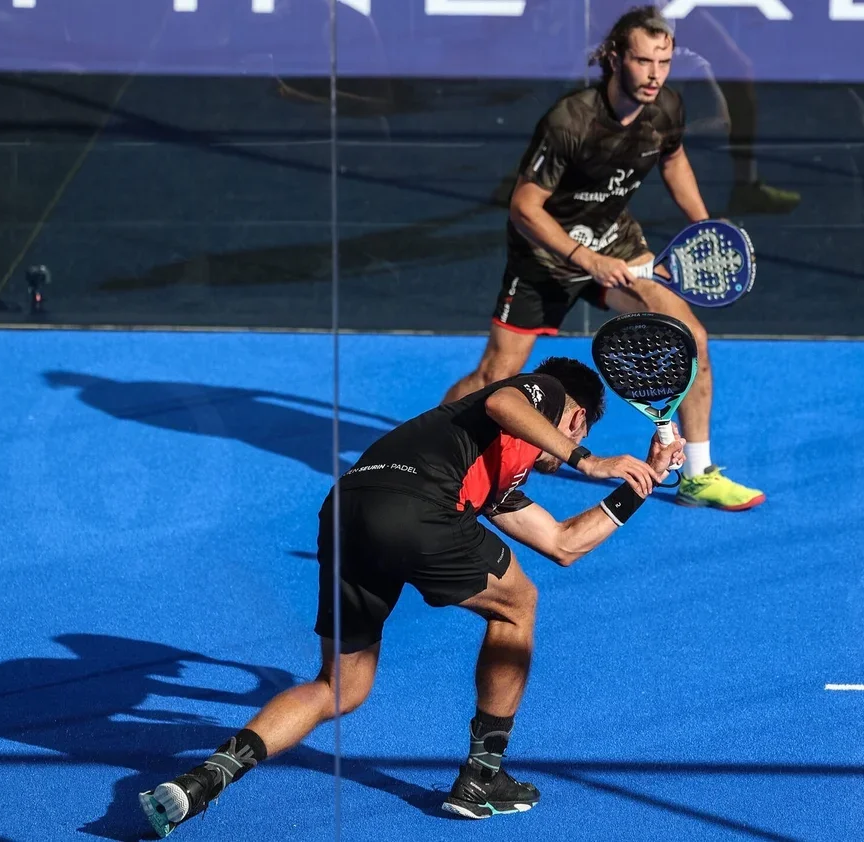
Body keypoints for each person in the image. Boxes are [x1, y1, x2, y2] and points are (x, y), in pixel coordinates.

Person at [140, 357, 684, 836]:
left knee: (338, 687)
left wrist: (648, 478)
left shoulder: (496, 475)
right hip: (419, 503)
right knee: (518, 604)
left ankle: (203, 779)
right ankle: (481, 776)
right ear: (575, 416)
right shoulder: (546, 389)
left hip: (347, 508)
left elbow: (565, 544)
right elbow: (501, 399)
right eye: (578, 426)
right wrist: (585, 459)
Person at [444, 5, 766, 513]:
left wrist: (701, 226)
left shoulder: (665, 109)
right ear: (615, 58)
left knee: (691, 340)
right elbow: (525, 207)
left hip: (616, 242)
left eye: (664, 61)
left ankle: (697, 475)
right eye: (643, 61)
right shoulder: (570, 121)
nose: (655, 74)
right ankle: (437, 449)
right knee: (493, 377)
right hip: (546, 259)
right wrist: (584, 259)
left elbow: (673, 156)